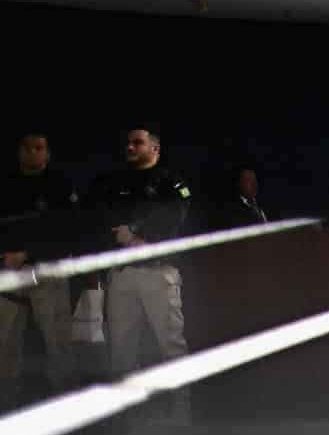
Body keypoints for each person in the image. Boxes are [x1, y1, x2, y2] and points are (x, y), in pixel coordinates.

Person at [92, 127, 192, 376]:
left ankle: (183, 412)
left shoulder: (171, 181)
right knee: (120, 350)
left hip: (157, 271)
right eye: (128, 143)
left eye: (138, 143)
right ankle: (128, 412)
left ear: (155, 148)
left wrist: (138, 232)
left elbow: (178, 214)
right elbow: (102, 218)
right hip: (122, 272)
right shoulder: (115, 183)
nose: (130, 147)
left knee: (171, 345)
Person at [1, 131, 80, 384]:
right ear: (19, 151)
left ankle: (66, 402)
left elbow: (68, 232)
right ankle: (6, 405)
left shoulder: (59, 187)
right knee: (5, 344)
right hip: (8, 274)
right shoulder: (6, 184)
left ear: (47, 153)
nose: (32, 152)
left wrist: (28, 254)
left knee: (58, 343)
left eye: (39, 147)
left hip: (46, 272)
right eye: (27, 147)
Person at [209, 165, 269, 230]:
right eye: (248, 179)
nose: (254, 183)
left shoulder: (265, 204)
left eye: (254, 179)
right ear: (239, 184)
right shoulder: (231, 211)